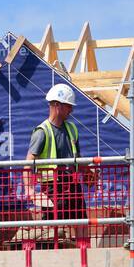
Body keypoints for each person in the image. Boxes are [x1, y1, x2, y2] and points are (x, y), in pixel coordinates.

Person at [25, 83, 85, 242]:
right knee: (54, 226)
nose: (71, 110)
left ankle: (84, 254)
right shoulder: (42, 131)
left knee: (81, 222)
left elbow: (77, 157)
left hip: (71, 184)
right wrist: (29, 190)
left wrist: (89, 171)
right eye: (68, 106)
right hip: (52, 187)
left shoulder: (72, 128)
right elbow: (28, 163)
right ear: (57, 106)